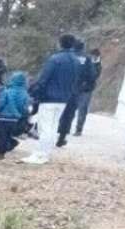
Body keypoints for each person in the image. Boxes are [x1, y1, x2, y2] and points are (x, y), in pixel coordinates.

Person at [25, 33, 81, 165]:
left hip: (49, 97)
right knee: (53, 126)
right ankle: (45, 154)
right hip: (64, 98)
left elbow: (44, 79)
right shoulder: (76, 61)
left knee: (44, 127)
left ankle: (39, 154)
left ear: (60, 43)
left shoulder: (55, 59)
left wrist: (34, 92)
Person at [57, 40, 89, 146]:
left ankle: (48, 134)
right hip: (76, 90)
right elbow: (92, 75)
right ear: (83, 48)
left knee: (54, 111)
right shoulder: (86, 59)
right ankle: (61, 137)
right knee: (69, 114)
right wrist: (86, 87)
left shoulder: (62, 56)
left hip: (60, 88)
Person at [0, 71, 30, 158]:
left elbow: (1, 104)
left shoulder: (7, 91)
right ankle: (8, 146)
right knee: (8, 134)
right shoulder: (25, 93)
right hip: (17, 120)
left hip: (4, 118)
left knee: (2, 136)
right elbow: (25, 107)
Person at [73, 48, 101, 137]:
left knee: (83, 109)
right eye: (92, 56)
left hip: (87, 89)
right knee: (72, 107)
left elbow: (94, 76)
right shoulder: (85, 61)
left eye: (95, 57)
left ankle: (79, 129)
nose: (93, 58)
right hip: (78, 87)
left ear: (97, 57)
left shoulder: (98, 65)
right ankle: (65, 127)